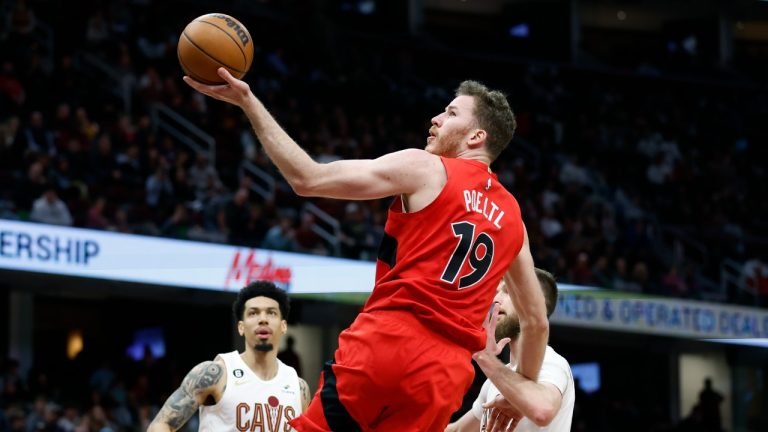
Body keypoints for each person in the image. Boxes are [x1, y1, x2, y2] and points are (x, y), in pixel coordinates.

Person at [185, 68, 549, 431]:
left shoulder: (427, 168)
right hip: (445, 374)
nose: (436, 118)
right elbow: (536, 321)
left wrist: (249, 103)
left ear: (476, 136)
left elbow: (308, 178)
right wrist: (520, 390)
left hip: (389, 340)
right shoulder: (514, 219)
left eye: (452, 113)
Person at [148, 281, 310, 431]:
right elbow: (162, 424)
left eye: (271, 313)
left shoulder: (299, 387)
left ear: (283, 326)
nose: (263, 319)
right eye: (253, 313)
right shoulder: (215, 373)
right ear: (241, 327)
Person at [446, 268, 575, 432]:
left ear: (535, 305)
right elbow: (457, 430)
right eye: (496, 292)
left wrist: (483, 356)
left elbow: (543, 411)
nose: (495, 299)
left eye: (507, 291)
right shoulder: (496, 380)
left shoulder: (551, 362)